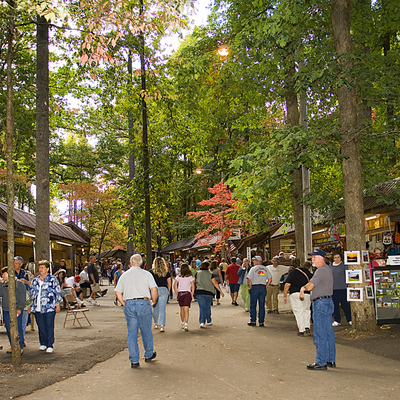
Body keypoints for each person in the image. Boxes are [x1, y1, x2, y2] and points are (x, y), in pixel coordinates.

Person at [115, 254, 158, 368]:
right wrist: (153, 300)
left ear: (131, 262)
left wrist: (123, 303)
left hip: (129, 303)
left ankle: (134, 360)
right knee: (146, 330)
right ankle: (148, 353)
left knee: (132, 332)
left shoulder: (124, 275)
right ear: (141, 262)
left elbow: (118, 292)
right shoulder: (147, 274)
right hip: (143, 302)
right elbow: (154, 289)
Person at [300, 249, 336, 370]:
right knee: (328, 332)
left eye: (314, 257)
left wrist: (303, 288)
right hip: (328, 301)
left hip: (320, 303)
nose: (313, 260)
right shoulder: (327, 269)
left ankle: (321, 362)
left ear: (321, 258)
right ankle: (330, 359)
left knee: (320, 333)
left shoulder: (320, 271)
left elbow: (310, 286)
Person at [29, 260, 62, 354]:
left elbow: (57, 292)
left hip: (49, 306)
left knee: (49, 325)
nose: (41, 269)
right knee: (41, 326)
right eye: (40, 267)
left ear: (47, 269)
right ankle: (43, 343)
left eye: (43, 267)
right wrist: (29, 305)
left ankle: (50, 344)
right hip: (37, 306)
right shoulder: (35, 280)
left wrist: (58, 304)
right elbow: (31, 293)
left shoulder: (52, 279)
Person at [0, 267, 27, 354]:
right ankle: (12, 345)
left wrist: (19, 308)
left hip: (15, 309)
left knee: (17, 328)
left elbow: (22, 297)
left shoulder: (18, 283)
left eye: (4, 274)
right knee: (8, 328)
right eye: (2, 274)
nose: (3, 276)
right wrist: (1, 284)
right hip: (5, 309)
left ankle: (20, 345)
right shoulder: (4, 284)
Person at [283, 259, 313, 336]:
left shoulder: (292, 273)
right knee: (306, 309)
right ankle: (307, 326)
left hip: (295, 293)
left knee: (298, 311)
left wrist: (285, 295)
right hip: (306, 293)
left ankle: (301, 329)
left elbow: (287, 285)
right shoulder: (306, 271)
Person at [195, 261, 224, 328]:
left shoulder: (197, 273)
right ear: (208, 267)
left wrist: (192, 290)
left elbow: (194, 281)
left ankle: (202, 322)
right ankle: (209, 320)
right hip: (209, 292)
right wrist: (220, 291)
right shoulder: (210, 274)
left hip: (199, 292)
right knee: (208, 306)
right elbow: (215, 283)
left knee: (202, 307)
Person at [247, 256, 272, 327]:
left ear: (256, 261)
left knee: (253, 305)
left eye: (254, 260)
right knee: (261, 305)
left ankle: (253, 320)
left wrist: (250, 287)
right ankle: (261, 322)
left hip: (255, 287)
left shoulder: (253, 269)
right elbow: (270, 279)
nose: (253, 262)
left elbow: (249, 279)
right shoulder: (265, 269)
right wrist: (266, 286)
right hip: (262, 286)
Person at [329, 252, 352, 326]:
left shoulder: (344, 265)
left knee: (345, 304)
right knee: (335, 305)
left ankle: (349, 319)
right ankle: (337, 320)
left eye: (338, 257)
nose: (337, 259)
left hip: (343, 288)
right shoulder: (330, 266)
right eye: (335, 257)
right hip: (333, 288)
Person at [150, 257, 172, 332]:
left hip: (154, 289)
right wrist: (169, 290)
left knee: (155, 307)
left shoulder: (151, 272)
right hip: (163, 289)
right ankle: (162, 325)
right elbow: (169, 281)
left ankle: (155, 323)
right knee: (162, 309)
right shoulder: (166, 271)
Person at [174, 263, 195, 331]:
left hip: (180, 293)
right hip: (187, 293)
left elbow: (174, 285)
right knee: (186, 309)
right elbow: (193, 286)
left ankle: (182, 321)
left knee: (182, 308)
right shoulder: (190, 277)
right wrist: (192, 294)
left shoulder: (178, 276)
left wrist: (177, 293)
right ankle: (186, 323)